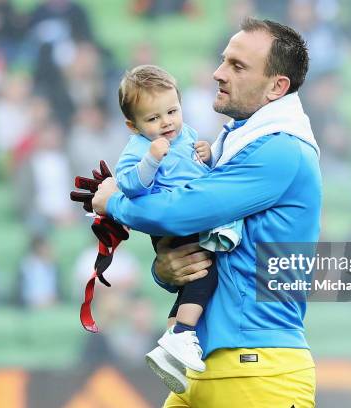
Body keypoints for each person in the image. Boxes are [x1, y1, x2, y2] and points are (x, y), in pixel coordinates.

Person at [92, 17, 320, 408]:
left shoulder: (280, 149)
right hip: (207, 365)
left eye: (237, 65)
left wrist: (112, 200)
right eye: (223, 60)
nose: (218, 73)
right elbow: (209, 247)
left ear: (276, 87)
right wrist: (166, 268)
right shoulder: (235, 140)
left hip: (257, 369)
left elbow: (181, 212)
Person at [114, 64, 244, 388]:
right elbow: (128, 184)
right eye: (153, 119)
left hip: (192, 213)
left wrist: (207, 154)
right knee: (204, 272)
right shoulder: (140, 149)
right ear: (133, 125)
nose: (166, 123)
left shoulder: (184, 134)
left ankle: (171, 344)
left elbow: (195, 167)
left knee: (192, 280)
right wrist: (151, 160)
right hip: (172, 220)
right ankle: (185, 333)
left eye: (172, 111)